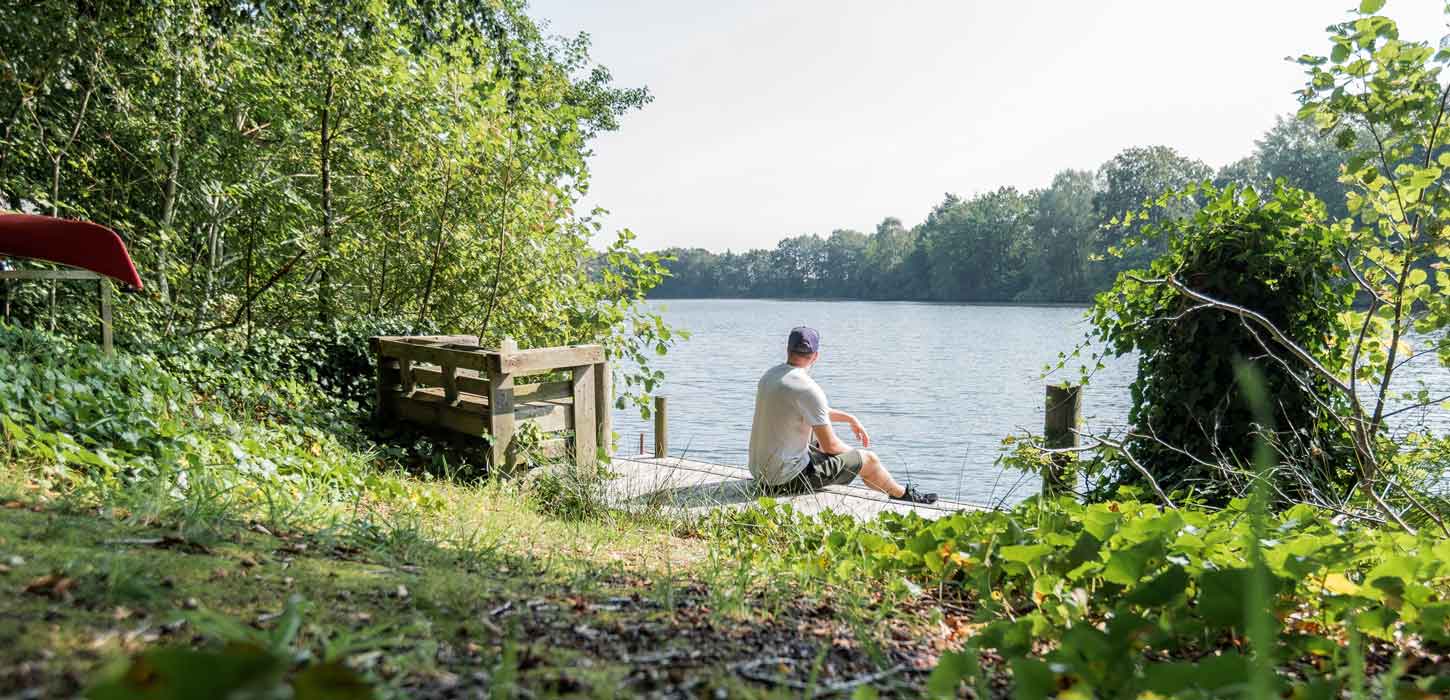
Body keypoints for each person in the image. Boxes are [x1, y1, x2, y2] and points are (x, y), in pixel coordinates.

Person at [747, 326, 938, 504]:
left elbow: (810, 412)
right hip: (784, 482)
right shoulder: (808, 388)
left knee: (816, 434)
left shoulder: (770, 376)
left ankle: (883, 481)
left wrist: (850, 418)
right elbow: (831, 446)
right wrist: (858, 458)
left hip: (762, 476)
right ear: (815, 356)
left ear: (787, 350)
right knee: (869, 460)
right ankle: (904, 495)